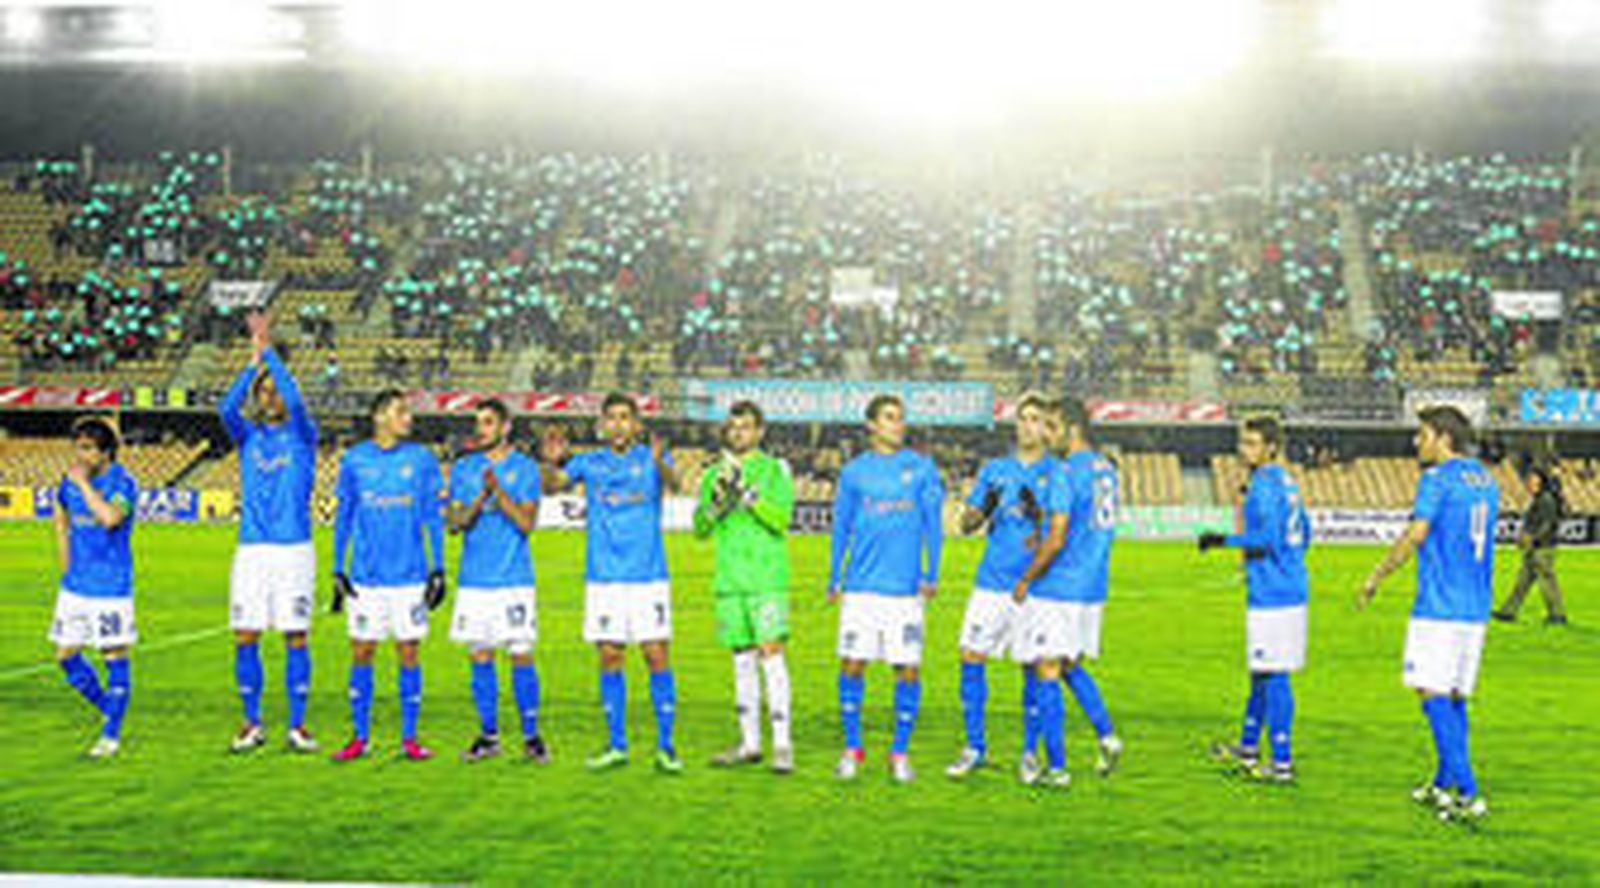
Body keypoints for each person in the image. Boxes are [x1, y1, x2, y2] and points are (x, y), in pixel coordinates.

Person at [1357, 405, 1498, 824]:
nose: (1416, 442)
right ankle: (1442, 781)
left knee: (1429, 691)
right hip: (1474, 608)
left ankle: (1469, 792)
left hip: (1440, 606)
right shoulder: (1485, 479)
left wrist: (1376, 575)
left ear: (1443, 437)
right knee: (1453, 696)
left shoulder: (1435, 479)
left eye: (1423, 434)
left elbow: (1416, 534)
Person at [540, 392, 683, 774]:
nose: (619, 424)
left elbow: (677, 484)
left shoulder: (650, 458)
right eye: (612, 418)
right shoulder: (589, 461)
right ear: (602, 425)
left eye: (626, 417)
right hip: (604, 577)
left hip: (648, 576)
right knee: (610, 656)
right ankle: (617, 744)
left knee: (656, 655)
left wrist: (659, 463)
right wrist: (550, 461)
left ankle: (666, 746)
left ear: (636, 424)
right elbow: (552, 486)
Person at [829, 394, 944, 783]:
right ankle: (852, 747)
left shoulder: (922, 468)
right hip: (862, 587)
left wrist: (933, 572)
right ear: (872, 425)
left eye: (901, 418)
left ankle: (899, 752)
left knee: (907, 669)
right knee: (853, 663)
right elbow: (841, 526)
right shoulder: (854, 472)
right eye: (890, 418)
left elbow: (933, 525)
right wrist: (834, 577)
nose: (899, 425)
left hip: (905, 590)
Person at [219, 310, 319, 754]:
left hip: (294, 548)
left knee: (295, 635)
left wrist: (270, 354)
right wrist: (251, 366)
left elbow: (296, 400)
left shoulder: (302, 434)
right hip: (252, 550)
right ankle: (251, 722)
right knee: (246, 635)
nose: (272, 396)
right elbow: (225, 408)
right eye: (265, 391)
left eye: (275, 390)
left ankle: (297, 726)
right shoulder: (248, 437)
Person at [329, 389, 447, 762]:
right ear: (380, 416)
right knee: (362, 651)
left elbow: (432, 516)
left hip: (410, 577)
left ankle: (409, 738)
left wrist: (439, 568)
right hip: (366, 578)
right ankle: (359, 737)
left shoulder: (422, 460)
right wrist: (337, 568)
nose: (408, 418)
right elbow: (344, 516)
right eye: (401, 411)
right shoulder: (354, 459)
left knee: (409, 652)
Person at [946, 393, 1057, 780]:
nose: (1028, 425)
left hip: (1033, 587)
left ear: (1047, 427)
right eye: (1023, 418)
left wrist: (1038, 516)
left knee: (1032, 665)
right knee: (970, 656)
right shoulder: (995, 469)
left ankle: (1029, 753)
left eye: (1035, 419)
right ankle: (974, 746)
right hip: (990, 582)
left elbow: (1061, 536)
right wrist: (986, 505)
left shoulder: (1055, 473)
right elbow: (965, 526)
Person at [1012, 398, 1122, 788]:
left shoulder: (1064, 470)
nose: (1046, 434)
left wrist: (1027, 577)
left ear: (1072, 429)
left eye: (1052, 427)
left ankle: (1056, 769)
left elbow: (1057, 538)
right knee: (1070, 663)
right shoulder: (1107, 470)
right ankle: (1107, 736)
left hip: (1060, 585)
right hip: (1092, 586)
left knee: (1046, 667)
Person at [1199, 417, 1310, 783]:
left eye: (1251, 443)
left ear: (1271, 448)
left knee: (1275, 673)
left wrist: (1222, 541)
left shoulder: (1263, 483)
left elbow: (1267, 539)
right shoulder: (1287, 482)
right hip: (1289, 587)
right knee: (1262, 672)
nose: (1242, 450)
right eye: (1242, 442)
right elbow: (1304, 533)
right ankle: (1248, 748)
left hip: (1273, 596)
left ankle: (1281, 762)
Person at [693, 400, 797, 774]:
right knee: (741, 659)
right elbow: (700, 530)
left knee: (772, 654)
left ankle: (783, 745)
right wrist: (718, 504)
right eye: (733, 427)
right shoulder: (712, 475)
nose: (738, 433)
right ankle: (750, 743)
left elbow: (781, 520)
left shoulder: (773, 470)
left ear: (760, 431)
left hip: (767, 579)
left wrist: (750, 498)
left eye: (746, 427)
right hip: (730, 581)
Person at [447, 399, 549, 763]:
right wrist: (480, 497)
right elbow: (455, 523)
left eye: (488, 423)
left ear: (505, 427)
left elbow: (526, 523)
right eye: (478, 423)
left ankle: (532, 736)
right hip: (475, 578)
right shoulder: (463, 468)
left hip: (513, 579)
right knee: (480, 655)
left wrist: (499, 492)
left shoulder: (525, 468)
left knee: (521, 655)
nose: (481, 429)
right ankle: (489, 735)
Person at [50, 418, 138, 759]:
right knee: (65, 654)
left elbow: (111, 518)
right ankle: (109, 706)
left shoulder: (122, 483)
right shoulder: (67, 484)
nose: (80, 454)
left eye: (87, 448)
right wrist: (65, 561)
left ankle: (110, 736)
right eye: (78, 447)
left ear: (106, 452)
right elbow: (61, 514)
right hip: (76, 586)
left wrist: (86, 485)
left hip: (111, 587)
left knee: (114, 656)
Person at [1492, 466, 1568, 625]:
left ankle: (1558, 614)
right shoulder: (1541, 499)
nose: (1528, 483)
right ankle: (1508, 611)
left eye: (1532, 479)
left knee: (1547, 581)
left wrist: (1533, 539)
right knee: (1523, 581)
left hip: (1542, 547)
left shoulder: (1546, 499)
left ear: (1540, 481)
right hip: (1536, 546)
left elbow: (1548, 524)